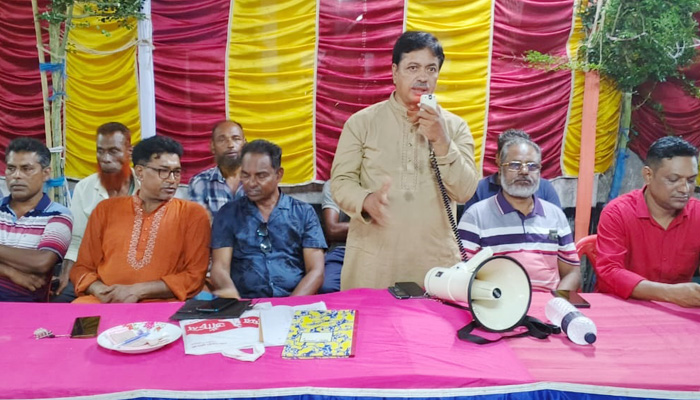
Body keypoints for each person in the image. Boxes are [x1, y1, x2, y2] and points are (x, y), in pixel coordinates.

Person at [330, 31, 479, 289]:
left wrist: (442, 140)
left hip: (435, 269)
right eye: (413, 67)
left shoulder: (455, 127)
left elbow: (465, 191)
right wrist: (366, 200)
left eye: (431, 69)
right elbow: (341, 182)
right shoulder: (362, 123)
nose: (422, 77)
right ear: (394, 72)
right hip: (373, 267)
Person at [69, 136, 210, 303]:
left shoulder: (193, 214)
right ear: (140, 172)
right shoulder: (105, 210)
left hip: (162, 305)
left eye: (176, 172)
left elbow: (194, 277)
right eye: (163, 171)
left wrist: (138, 291)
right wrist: (99, 290)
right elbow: (82, 268)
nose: (172, 179)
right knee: (71, 317)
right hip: (105, 301)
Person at [459, 136, 581, 291]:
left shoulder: (555, 215)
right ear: (500, 169)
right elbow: (462, 274)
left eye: (532, 166)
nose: (524, 171)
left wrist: (558, 300)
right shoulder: (475, 216)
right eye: (515, 165)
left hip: (548, 301)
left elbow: (572, 272)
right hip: (497, 302)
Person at [210, 140, 326, 298]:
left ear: (278, 175)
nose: (251, 183)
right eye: (245, 175)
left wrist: (289, 306)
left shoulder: (303, 213)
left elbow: (316, 271)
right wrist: (233, 298)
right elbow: (219, 268)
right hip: (246, 302)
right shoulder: (228, 214)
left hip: (295, 301)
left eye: (261, 176)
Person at [595, 136, 700, 307]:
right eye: (673, 180)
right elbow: (609, 271)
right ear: (648, 175)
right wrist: (670, 294)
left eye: (691, 180)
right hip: (622, 307)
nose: (685, 189)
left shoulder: (697, 214)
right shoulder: (617, 213)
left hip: (678, 311)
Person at [52, 122, 139, 302]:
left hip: (134, 271)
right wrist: (66, 274)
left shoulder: (144, 185)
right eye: (100, 151)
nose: (105, 158)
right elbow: (76, 239)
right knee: (60, 301)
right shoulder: (85, 187)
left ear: (129, 151)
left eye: (113, 151)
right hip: (91, 271)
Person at [0, 138, 72, 302]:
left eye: (26, 169)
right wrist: (10, 272)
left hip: (22, 305)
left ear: (46, 173)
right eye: (11, 168)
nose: (17, 176)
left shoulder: (58, 215)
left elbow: (41, 262)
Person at [463, 129, 561, 211]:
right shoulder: (479, 189)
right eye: (515, 163)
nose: (523, 171)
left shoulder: (544, 187)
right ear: (498, 158)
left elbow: (556, 222)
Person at [188, 120, 246, 218]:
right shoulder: (200, 182)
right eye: (222, 140)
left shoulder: (258, 180)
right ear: (212, 146)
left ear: (245, 144)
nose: (230, 145)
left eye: (236, 139)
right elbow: (199, 224)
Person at [319, 180, 348, 293]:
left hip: (380, 250)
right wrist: (376, 226)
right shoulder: (335, 184)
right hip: (342, 250)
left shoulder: (390, 185)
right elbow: (333, 230)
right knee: (327, 286)